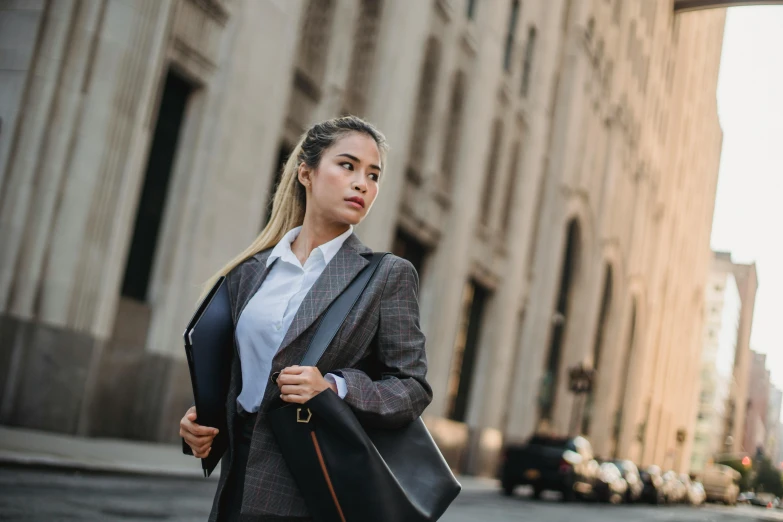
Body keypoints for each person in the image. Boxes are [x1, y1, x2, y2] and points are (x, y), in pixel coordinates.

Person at [179, 116, 433, 522]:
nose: (362, 183)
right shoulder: (251, 272)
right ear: (306, 173)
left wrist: (335, 386)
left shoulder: (386, 275)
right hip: (238, 482)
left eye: (373, 175)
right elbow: (243, 380)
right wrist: (200, 424)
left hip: (314, 487)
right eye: (347, 166)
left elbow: (412, 388)